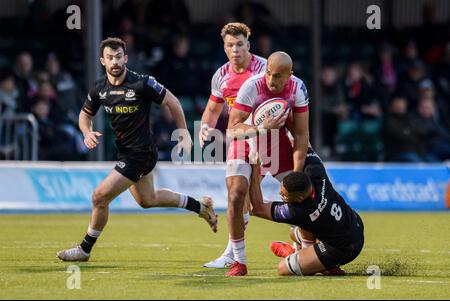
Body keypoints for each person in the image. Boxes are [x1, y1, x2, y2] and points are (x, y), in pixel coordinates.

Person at [57, 37, 217, 262]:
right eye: (110, 58)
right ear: (102, 61)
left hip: (141, 154)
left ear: (126, 58)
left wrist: (183, 133)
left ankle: (84, 249)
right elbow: (85, 114)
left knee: (99, 197)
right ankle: (200, 206)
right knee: (147, 200)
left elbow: (173, 102)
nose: (115, 61)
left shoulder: (142, 83)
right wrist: (86, 132)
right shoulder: (100, 88)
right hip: (125, 152)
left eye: (119, 57)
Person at [226, 51, 310, 276]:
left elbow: (301, 136)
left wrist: (295, 176)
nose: (272, 81)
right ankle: (238, 261)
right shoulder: (252, 86)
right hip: (246, 139)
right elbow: (232, 128)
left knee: (307, 196)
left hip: (277, 141)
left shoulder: (298, 88)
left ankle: (302, 245)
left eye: (278, 76)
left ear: (289, 75)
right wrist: (261, 129)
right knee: (236, 195)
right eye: (269, 74)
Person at [198, 23, 266, 273]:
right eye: (230, 45)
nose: (235, 49)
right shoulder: (221, 75)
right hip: (239, 138)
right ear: (224, 47)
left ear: (248, 44)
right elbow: (214, 108)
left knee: (273, 196)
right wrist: (205, 126)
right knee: (237, 194)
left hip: (270, 139)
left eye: (240, 44)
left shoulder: (264, 68)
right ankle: (234, 256)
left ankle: (305, 240)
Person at [248, 149, 365, 276]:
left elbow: (258, 209)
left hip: (344, 249)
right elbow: (304, 147)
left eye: (284, 196)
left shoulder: (299, 211)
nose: (280, 195)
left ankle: (303, 257)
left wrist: (255, 169)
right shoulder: (316, 172)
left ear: (299, 199)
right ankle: (310, 258)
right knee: (294, 233)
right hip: (354, 223)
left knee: (283, 268)